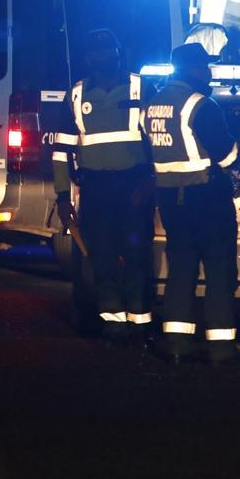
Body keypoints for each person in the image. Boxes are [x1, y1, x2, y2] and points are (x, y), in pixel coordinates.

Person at [52, 28, 156, 345]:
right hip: (95, 188)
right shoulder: (77, 94)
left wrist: (149, 181)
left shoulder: (142, 87)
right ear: (87, 57)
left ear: (118, 52)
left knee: (138, 255)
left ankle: (140, 323)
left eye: (107, 50)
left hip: (133, 186)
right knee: (102, 257)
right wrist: (61, 196)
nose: (102, 57)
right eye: (95, 52)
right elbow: (61, 150)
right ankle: (112, 323)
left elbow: (160, 139)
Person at [143, 43, 240, 365]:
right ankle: (221, 348)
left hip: (171, 199)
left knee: (181, 270)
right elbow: (227, 155)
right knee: (219, 270)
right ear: (196, 68)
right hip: (206, 197)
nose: (209, 73)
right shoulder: (201, 104)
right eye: (206, 66)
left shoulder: (153, 104)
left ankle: (176, 343)